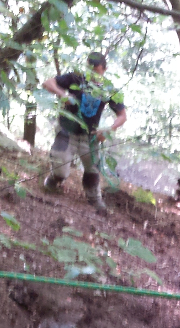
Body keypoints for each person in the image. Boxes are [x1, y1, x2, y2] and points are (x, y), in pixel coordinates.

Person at [41, 52, 128, 214]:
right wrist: (63, 95)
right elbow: (48, 83)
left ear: (104, 69)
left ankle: (95, 199)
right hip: (67, 131)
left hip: (90, 136)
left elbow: (122, 116)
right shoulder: (76, 78)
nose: (93, 74)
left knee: (93, 169)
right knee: (61, 170)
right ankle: (54, 179)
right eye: (90, 69)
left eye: (97, 70)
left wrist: (109, 130)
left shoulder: (109, 90)